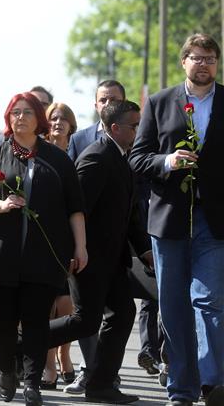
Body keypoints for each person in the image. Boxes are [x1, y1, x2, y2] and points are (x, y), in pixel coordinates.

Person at [0, 91, 87, 406]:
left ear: (39, 119)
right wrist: (3, 205)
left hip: (44, 257)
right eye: (14, 112)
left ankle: (32, 384)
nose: (19, 118)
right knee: (2, 324)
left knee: (36, 323)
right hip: (0, 257)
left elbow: (75, 207)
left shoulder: (57, 159)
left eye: (27, 112)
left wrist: (81, 247)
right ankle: (7, 369)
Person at [129, 33, 224, 406]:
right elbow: (138, 159)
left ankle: (212, 383)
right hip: (169, 220)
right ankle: (181, 388)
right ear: (183, 61)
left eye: (210, 59)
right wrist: (168, 161)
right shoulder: (159, 102)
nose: (203, 64)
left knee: (209, 299)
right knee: (173, 305)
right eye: (196, 58)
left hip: (213, 220)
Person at [48, 100, 151, 405]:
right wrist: (73, 252)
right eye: (134, 125)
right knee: (86, 321)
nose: (139, 129)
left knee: (122, 313)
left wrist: (144, 249)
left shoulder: (121, 156)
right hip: (88, 259)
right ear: (115, 128)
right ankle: (23, 342)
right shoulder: (96, 158)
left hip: (113, 260)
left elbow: (128, 214)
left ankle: (101, 384)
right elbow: (75, 210)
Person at [42, 102, 78, 387]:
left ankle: (65, 355)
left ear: (71, 124)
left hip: (71, 237)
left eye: (63, 118)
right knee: (44, 304)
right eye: (53, 118)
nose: (57, 122)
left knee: (67, 303)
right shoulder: (37, 151)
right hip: (42, 237)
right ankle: (48, 362)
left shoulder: (78, 154)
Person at [67, 80, 125, 161]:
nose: (107, 104)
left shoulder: (136, 136)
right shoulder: (78, 140)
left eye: (113, 100)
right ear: (96, 106)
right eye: (103, 100)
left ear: (124, 103)